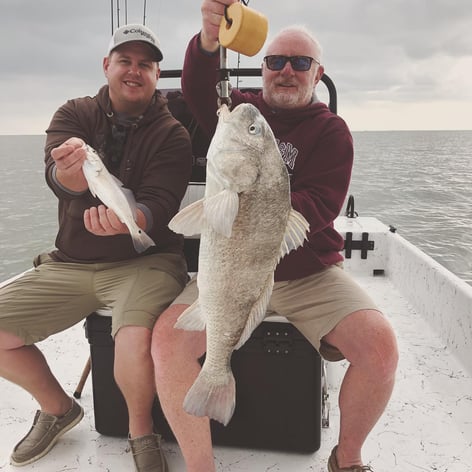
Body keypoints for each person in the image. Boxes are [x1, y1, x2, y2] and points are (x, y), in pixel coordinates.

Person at [151, 1, 399, 471]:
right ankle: (201, 466)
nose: (286, 71)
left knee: (380, 348)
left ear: (317, 72)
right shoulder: (242, 113)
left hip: (307, 272)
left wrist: (250, 209)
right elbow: (197, 87)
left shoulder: (332, 132)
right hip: (229, 269)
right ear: (262, 68)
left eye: (300, 63)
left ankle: (347, 459)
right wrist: (208, 39)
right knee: (167, 341)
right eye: (275, 61)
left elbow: (320, 207)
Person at [0, 24, 192, 472]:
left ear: (156, 73)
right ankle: (58, 407)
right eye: (125, 60)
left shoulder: (173, 133)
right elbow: (57, 177)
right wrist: (68, 173)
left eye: (145, 63)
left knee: (132, 338)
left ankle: (141, 430)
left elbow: (161, 204)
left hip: (146, 261)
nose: (134, 70)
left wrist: (132, 223)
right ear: (107, 66)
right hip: (72, 261)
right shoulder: (74, 113)